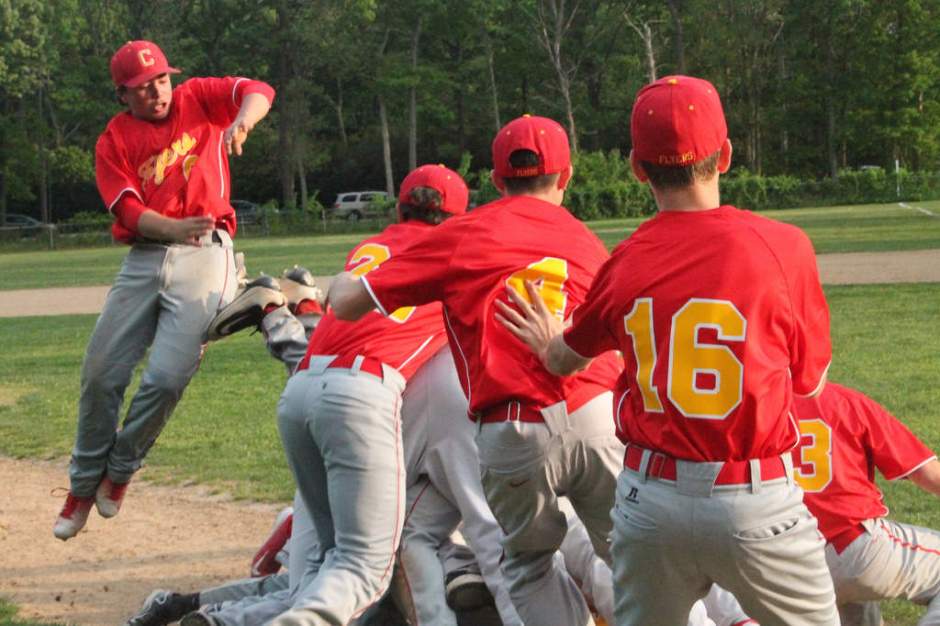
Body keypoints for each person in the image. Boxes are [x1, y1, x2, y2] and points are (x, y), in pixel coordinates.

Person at [497, 76, 838, 625]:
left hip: (651, 501)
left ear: (637, 167)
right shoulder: (783, 245)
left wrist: (546, 341)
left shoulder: (627, 259)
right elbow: (810, 381)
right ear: (724, 154)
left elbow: (565, 359)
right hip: (753, 494)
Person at [328, 114, 625, 626]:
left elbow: (350, 303)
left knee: (529, 567)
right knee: (631, 559)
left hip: (513, 427)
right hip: (598, 409)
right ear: (567, 176)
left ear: (494, 181)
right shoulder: (587, 242)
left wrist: (338, 281)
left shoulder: (467, 233)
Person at [54, 40, 274, 541]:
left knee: (167, 377)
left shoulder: (198, 99)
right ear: (122, 96)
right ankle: (83, 486)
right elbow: (127, 210)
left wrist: (243, 122)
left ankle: (121, 469)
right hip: (146, 254)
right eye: (141, 87)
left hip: (207, 250)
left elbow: (258, 90)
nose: (156, 92)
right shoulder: (115, 139)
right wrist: (172, 230)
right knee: (101, 373)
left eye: (160, 79)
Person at [268, 165, 470, 626]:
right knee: (365, 568)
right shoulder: (453, 253)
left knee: (329, 559)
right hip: (359, 395)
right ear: (456, 219)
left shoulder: (369, 247)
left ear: (400, 207)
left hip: (300, 390)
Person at [792, 382, 940, 626]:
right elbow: (928, 474)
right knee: (857, 581)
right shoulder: (845, 402)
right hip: (856, 548)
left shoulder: (755, 409)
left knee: (857, 606)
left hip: (785, 561)